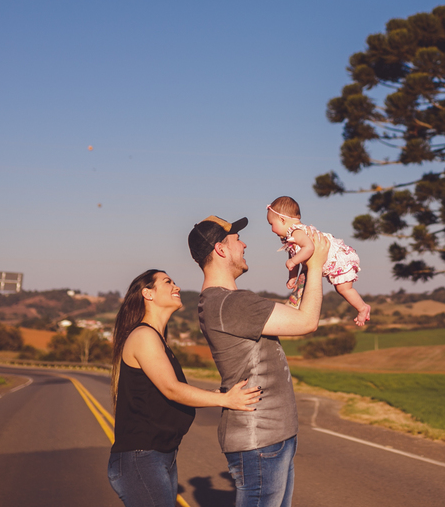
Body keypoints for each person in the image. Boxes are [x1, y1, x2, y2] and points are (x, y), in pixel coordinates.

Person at [191, 215, 330, 507]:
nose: (244, 244)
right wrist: (316, 264)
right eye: (236, 240)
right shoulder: (230, 303)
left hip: (272, 435)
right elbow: (307, 322)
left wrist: (304, 269)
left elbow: (293, 314)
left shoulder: (225, 301)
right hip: (260, 439)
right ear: (220, 250)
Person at [107, 268, 261, 507]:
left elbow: (167, 393)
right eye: (168, 282)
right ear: (148, 294)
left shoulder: (157, 339)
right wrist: (227, 400)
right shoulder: (143, 336)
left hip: (160, 456)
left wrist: (216, 394)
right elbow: (172, 389)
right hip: (141, 458)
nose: (176, 287)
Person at [265, 196, 370, 326]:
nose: (271, 229)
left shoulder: (296, 232)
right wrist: (292, 276)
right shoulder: (292, 237)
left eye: (271, 224)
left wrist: (293, 262)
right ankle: (362, 308)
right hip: (327, 262)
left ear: (282, 219)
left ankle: (362, 308)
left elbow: (309, 248)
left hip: (338, 259)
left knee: (344, 289)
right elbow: (295, 257)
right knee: (341, 289)